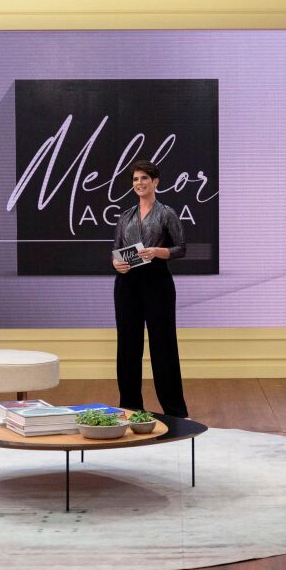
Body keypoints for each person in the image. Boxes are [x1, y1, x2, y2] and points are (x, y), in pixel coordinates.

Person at [112, 160, 188, 418]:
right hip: (127, 283)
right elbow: (116, 250)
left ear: (155, 182)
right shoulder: (125, 216)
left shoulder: (166, 213)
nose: (139, 183)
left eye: (144, 178)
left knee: (163, 345)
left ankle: (175, 412)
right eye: (135, 179)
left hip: (157, 282)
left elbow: (181, 248)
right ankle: (130, 406)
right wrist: (116, 263)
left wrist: (157, 251)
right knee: (127, 346)